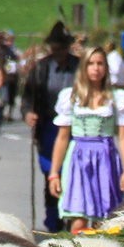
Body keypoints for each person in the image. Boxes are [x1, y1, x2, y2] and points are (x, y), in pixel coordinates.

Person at [47, 48, 124, 230]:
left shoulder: (116, 97)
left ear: (106, 67)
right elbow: (62, 138)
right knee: (78, 219)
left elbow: (123, 138)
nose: (96, 68)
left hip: (105, 158)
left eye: (100, 63)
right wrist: (54, 173)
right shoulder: (71, 97)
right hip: (78, 158)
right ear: (84, 67)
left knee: (103, 221)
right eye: (91, 64)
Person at [23, 22, 81, 231]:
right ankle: (53, 219)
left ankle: (74, 217)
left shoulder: (80, 67)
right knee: (52, 173)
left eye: (62, 48)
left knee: (74, 173)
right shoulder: (40, 68)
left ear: (69, 48)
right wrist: (28, 113)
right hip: (49, 128)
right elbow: (28, 97)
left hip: (76, 128)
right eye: (55, 48)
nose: (58, 53)